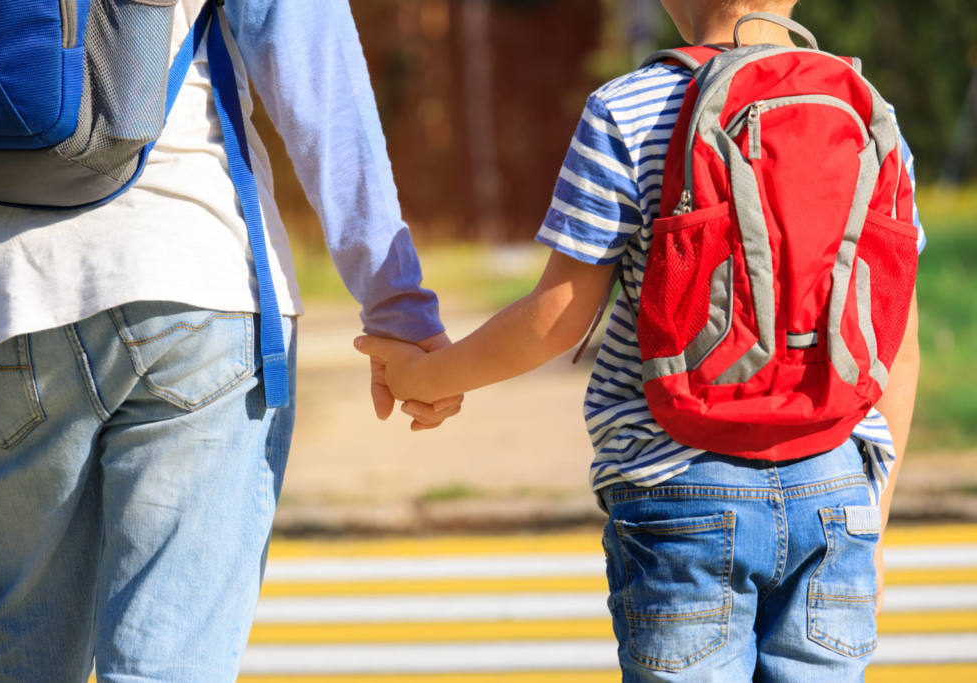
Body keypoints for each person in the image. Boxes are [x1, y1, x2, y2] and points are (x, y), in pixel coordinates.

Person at [355, 0, 923, 679]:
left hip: (679, 487)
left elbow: (558, 316)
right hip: (836, 489)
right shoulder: (867, 112)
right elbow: (898, 341)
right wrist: (875, 520)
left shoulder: (629, 108)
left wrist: (427, 377)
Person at [0, 1, 458, 680]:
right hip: (190, 271)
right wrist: (398, 305)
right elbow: (313, 67)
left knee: (18, 654)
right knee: (168, 661)